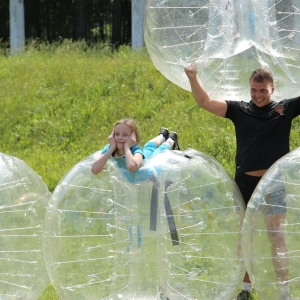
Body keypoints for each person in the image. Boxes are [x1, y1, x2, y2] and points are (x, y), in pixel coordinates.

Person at [184, 65, 300, 300]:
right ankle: (245, 290)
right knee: (245, 236)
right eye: (254, 90)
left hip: (273, 183)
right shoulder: (239, 109)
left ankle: (284, 292)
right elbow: (205, 102)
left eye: (263, 91)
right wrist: (192, 78)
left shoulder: (283, 109)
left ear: (272, 89)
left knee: (275, 234)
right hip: (244, 183)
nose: (258, 95)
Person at [91, 118, 180, 181]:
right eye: (117, 134)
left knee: (161, 150)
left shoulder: (136, 151)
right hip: (131, 178)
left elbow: (131, 167)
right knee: (148, 147)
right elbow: (94, 170)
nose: (120, 138)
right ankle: (162, 135)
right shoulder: (109, 148)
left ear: (133, 138)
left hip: (148, 170)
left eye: (125, 135)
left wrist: (126, 147)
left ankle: (171, 139)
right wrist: (111, 148)